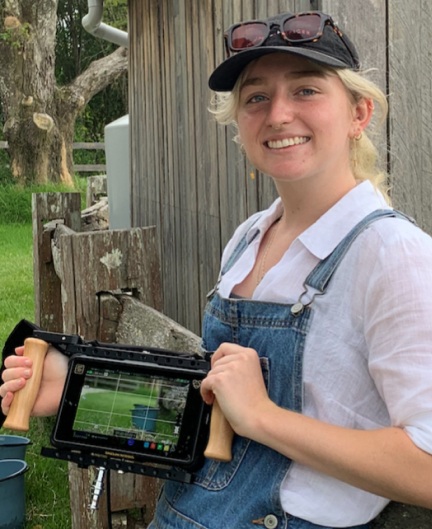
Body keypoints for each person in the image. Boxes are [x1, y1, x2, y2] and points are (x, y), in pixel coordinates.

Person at [1, 9, 432, 529]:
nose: (277, 114)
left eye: (306, 90)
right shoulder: (250, 236)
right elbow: (217, 408)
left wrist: (264, 417)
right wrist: (79, 389)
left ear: (358, 113)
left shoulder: (394, 254)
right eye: (256, 97)